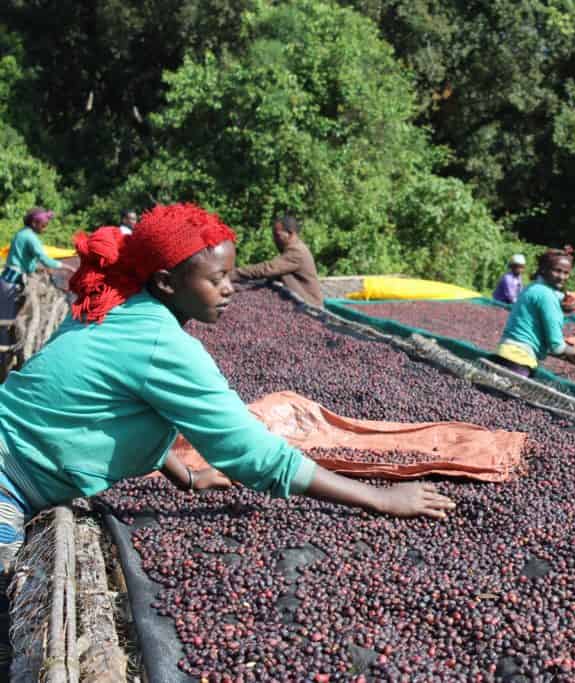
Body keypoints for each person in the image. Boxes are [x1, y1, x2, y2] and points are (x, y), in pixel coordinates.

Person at [0, 204, 453, 571]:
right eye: (216, 278)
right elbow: (252, 453)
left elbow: (118, 408)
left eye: (230, 275)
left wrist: (186, 476)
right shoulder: (162, 344)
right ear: (166, 282)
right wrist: (380, 498)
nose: (230, 288)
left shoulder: (114, 304)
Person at [493, 248, 575, 376]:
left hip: (504, 351)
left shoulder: (532, 287)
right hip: (519, 361)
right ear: (544, 269)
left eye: (566, 273)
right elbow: (557, 347)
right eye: (557, 271)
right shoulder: (547, 296)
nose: (562, 277)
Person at [1, 208, 75, 362]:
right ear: (34, 223)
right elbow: (44, 258)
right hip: (12, 283)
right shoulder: (29, 237)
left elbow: (28, 261)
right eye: (43, 225)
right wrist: (66, 267)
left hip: (8, 281)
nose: (45, 228)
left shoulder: (22, 234)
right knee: (5, 324)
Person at [231, 215, 324, 308]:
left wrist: (233, 274)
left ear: (290, 233)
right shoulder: (295, 248)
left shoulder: (297, 251)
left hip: (310, 306)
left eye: (277, 235)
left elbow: (268, 268)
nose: (274, 239)